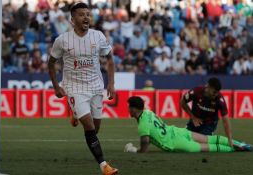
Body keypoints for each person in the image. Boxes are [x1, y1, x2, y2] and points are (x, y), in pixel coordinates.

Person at [48, 2, 118, 175]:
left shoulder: (98, 36)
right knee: (88, 126)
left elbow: (109, 59)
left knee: (95, 128)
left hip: (95, 86)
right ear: (73, 20)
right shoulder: (63, 40)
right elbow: (51, 63)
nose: (86, 17)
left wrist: (111, 83)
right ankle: (104, 165)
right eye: (81, 14)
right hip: (74, 87)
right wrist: (56, 86)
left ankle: (75, 114)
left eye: (88, 14)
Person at [124, 96, 252, 153]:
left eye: (129, 107)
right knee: (210, 139)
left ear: (134, 109)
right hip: (178, 131)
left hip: (176, 143)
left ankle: (233, 149)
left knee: (209, 147)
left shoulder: (142, 125)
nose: (128, 109)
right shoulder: (148, 112)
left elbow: (145, 143)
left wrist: (137, 151)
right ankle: (242, 145)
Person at [180, 77, 233, 144]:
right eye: (214, 92)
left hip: (209, 125)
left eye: (217, 92)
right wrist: (193, 117)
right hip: (194, 122)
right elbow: (182, 102)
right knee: (184, 139)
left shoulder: (219, 99)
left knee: (200, 142)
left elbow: (225, 120)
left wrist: (229, 139)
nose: (216, 94)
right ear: (208, 86)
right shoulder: (196, 92)